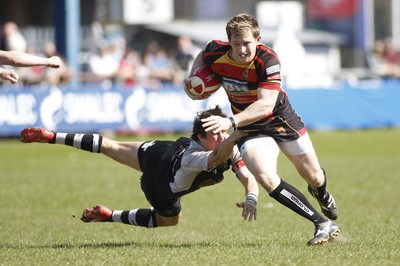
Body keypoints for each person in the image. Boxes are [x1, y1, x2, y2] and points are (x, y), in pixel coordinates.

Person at [185, 13, 339, 245]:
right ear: (229, 42)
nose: (242, 49)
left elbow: (266, 104)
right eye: (236, 44)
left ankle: (321, 192)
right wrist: (194, 81)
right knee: (265, 177)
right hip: (249, 127)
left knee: (314, 177)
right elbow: (202, 56)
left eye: (247, 43)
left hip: (279, 119)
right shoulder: (215, 51)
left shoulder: (268, 60)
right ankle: (322, 224)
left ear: (258, 39)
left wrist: (230, 122)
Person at [20, 105, 258, 229]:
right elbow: (215, 157)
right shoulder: (198, 156)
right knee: (170, 221)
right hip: (161, 185)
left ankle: (51, 136)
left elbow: (247, 176)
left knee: (109, 146)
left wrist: (251, 197)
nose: (221, 137)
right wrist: (239, 131)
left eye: (222, 131)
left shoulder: (225, 146)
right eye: (216, 133)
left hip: (162, 152)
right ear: (200, 136)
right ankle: (109, 216)